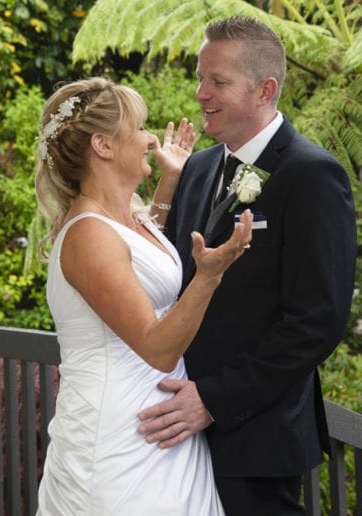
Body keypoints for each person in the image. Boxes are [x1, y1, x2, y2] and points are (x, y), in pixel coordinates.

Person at [138, 16, 357, 516]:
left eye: (217, 81)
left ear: (265, 89)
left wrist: (211, 399)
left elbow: (315, 323)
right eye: (200, 78)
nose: (200, 94)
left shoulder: (313, 175)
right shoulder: (195, 169)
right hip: (177, 434)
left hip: (257, 441)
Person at [34, 76, 253, 515]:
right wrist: (208, 276)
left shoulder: (121, 218)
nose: (150, 138)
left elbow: (136, 247)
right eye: (138, 128)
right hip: (121, 437)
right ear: (103, 145)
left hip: (163, 425)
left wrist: (169, 180)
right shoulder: (88, 236)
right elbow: (156, 346)